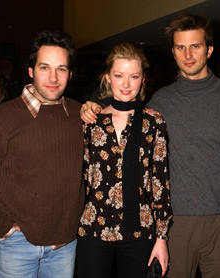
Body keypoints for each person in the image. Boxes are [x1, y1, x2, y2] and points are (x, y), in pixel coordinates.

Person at [81, 13, 220, 277]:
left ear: (209, 50)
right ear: (173, 52)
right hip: (175, 221)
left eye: (196, 46)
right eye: (181, 47)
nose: (188, 54)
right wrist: (89, 106)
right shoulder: (160, 102)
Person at [0, 30, 84, 278]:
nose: (53, 77)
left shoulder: (80, 114)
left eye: (61, 69)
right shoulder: (4, 117)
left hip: (64, 244)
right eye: (45, 67)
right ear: (30, 71)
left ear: (70, 74)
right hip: (16, 244)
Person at [77, 42, 172, 278]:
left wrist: (161, 238)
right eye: (119, 75)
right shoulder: (91, 120)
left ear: (143, 79)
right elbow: (78, 175)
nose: (126, 84)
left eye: (134, 76)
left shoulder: (154, 122)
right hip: (94, 227)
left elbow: (160, 182)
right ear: (107, 77)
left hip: (139, 231)